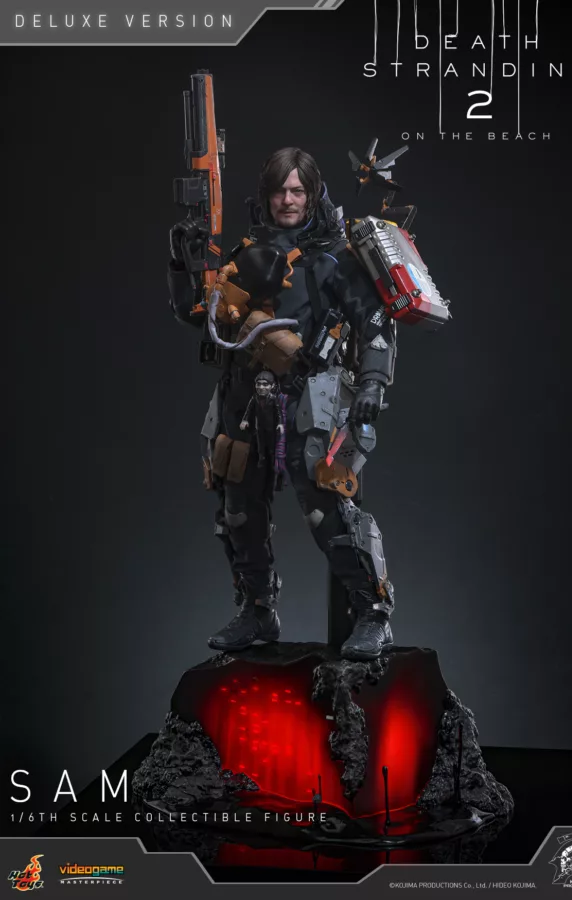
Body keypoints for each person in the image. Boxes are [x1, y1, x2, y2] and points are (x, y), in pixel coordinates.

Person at [168, 147, 396, 660]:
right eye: (279, 191)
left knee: (327, 509)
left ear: (312, 194)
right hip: (247, 395)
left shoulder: (335, 257)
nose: (287, 200)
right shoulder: (245, 252)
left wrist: (372, 385)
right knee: (237, 508)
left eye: (297, 190)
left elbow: (375, 324)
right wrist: (183, 262)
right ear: (266, 195)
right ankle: (257, 609)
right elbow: (200, 314)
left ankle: (373, 613)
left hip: (311, 396)